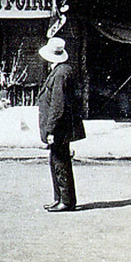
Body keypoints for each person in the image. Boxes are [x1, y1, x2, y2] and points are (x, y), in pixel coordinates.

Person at [37, 37, 86, 212]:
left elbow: (58, 105)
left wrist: (51, 129)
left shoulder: (60, 74)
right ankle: (59, 198)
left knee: (60, 162)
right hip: (61, 127)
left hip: (60, 127)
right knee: (56, 161)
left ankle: (66, 201)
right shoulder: (60, 71)